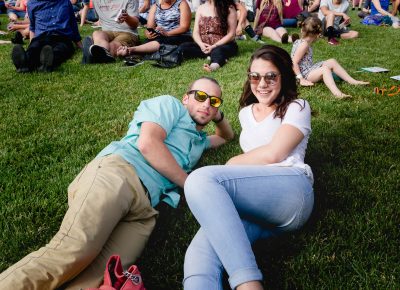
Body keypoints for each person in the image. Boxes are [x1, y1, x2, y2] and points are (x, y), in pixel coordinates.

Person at [0, 77, 234, 290]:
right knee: (74, 251)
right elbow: (148, 144)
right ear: (186, 97)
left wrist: (217, 114)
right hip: (119, 174)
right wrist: (190, 184)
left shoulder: (199, 141)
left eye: (214, 101)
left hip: (145, 211)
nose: (206, 104)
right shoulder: (170, 105)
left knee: (97, 278)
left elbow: (226, 136)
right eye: (200, 96)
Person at [183, 45, 314, 290]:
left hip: (292, 191)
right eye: (255, 76)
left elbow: (276, 152)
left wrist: (232, 164)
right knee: (199, 254)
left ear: (283, 76)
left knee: (200, 179)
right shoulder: (245, 114)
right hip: (256, 203)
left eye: (270, 76)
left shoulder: (297, 107)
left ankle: (248, 284)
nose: (261, 83)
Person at [291, 17, 369, 98]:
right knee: (325, 70)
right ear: (318, 34)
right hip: (304, 74)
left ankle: (352, 81)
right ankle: (337, 94)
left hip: (307, 69)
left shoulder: (303, 42)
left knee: (332, 61)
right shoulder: (304, 44)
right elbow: (293, 62)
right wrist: (301, 79)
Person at [11, 0, 82, 73]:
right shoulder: (32, 3)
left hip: (62, 38)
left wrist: (79, 45)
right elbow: (32, 27)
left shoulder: (65, 2)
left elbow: (73, 24)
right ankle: (23, 65)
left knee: (59, 50)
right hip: (41, 37)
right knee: (34, 49)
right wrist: (31, 45)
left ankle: (46, 65)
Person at [116, 0, 192, 58]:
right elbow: (149, 27)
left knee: (162, 41)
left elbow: (184, 27)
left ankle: (131, 50)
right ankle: (132, 51)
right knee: (150, 40)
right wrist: (148, 33)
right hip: (161, 35)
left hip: (180, 35)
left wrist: (168, 33)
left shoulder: (182, 3)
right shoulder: (155, 6)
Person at [179, 0, 238, 72]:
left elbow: (231, 34)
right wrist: (201, 44)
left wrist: (214, 46)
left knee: (218, 51)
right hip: (204, 46)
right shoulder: (201, 8)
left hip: (223, 45)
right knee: (184, 47)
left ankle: (213, 66)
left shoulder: (229, 8)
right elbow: (195, 32)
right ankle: (211, 55)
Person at [81, 0, 140, 64]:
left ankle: (93, 54)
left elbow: (135, 25)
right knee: (97, 33)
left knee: (113, 45)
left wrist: (127, 18)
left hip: (127, 32)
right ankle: (100, 52)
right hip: (107, 31)